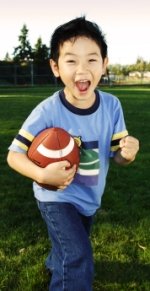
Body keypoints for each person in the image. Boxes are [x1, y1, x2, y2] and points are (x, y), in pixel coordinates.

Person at [7, 16, 139, 291]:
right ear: (55, 67)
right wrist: (43, 174)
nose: (82, 69)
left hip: (89, 198)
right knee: (79, 256)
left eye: (92, 60)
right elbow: (14, 155)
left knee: (69, 246)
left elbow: (117, 158)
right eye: (71, 61)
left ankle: (56, 262)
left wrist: (127, 154)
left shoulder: (112, 106)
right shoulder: (47, 111)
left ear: (104, 64)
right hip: (55, 196)